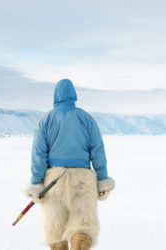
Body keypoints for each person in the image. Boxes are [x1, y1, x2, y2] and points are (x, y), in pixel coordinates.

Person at [26, 79, 115, 250]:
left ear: (55, 96)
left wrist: (37, 183)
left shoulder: (46, 120)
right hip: (83, 180)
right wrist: (102, 179)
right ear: (74, 95)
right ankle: (80, 240)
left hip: (53, 182)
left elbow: (38, 155)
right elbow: (98, 152)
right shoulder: (87, 119)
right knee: (83, 229)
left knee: (56, 233)